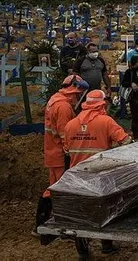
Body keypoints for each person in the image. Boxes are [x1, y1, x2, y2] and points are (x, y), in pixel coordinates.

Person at [64, 89, 131, 260]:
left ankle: (83, 252)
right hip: (101, 177)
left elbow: (66, 150)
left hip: (77, 176)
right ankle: (106, 245)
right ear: (102, 104)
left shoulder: (70, 125)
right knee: (105, 212)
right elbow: (126, 141)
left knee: (79, 215)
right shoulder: (106, 121)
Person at [35, 75, 89, 233]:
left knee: (54, 187)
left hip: (52, 151)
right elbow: (65, 133)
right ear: (73, 91)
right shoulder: (63, 107)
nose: (77, 99)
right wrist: (70, 151)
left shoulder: (54, 100)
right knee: (58, 189)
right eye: (77, 95)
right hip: (59, 153)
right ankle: (43, 223)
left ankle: (43, 222)